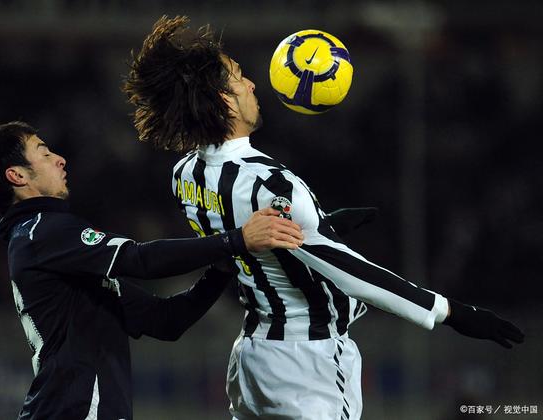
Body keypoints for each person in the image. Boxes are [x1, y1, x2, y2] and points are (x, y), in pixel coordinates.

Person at [123, 16, 525, 420]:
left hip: (252, 355)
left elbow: (249, 239)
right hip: (307, 361)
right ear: (225, 101)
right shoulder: (271, 183)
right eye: (240, 77)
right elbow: (350, 273)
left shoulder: (185, 174)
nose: (252, 85)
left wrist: (321, 224)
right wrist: (450, 312)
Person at [0, 121, 305, 420]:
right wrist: (235, 240)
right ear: (17, 175)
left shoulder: (55, 250)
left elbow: (167, 320)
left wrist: (221, 268)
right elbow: (139, 260)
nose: (59, 158)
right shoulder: (42, 232)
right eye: (43, 152)